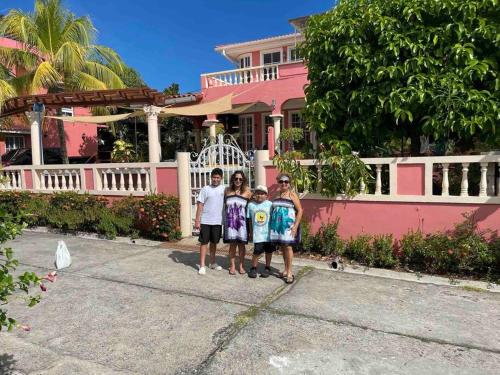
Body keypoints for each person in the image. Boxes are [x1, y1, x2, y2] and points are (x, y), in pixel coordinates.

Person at [270, 173, 303, 284]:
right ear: (278, 182)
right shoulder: (276, 195)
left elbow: (300, 211)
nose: (283, 183)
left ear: (289, 184)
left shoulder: (292, 195)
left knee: (288, 247)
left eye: (286, 182)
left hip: (288, 227)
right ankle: (285, 269)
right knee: (283, 248)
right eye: (281, 181)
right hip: (278, 227)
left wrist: (295, 227)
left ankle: (289, 272)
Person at [194, 168, 225, 275]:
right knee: (204, 242)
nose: (215, 179)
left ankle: (212, 263)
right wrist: (197, 220)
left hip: (217, 221)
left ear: (221, 178)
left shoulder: (224, 189)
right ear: (211, 177)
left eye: (218, 177)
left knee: (214, 243)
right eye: (214, 177)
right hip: (206, 221)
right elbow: (200, 205)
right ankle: (202, 265)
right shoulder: (205, 189)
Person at [223, 170, 252, 275]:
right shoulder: (227, 191)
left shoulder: (248, 192)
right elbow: (224, 206)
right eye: (236, 178)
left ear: (243, 180)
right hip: (230, 222)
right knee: (232, 245)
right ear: (233, 179)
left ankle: (241, 266)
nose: (238, 181)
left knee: (241, 245)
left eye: (240, 179)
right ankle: (232, 266)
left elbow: (252, 208)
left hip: (242, 224)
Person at [247, 185, 274, 278]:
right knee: (257, 251)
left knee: (269, 251)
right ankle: (254, 268)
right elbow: (249, 220)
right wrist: (250, 232)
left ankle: (267, 267)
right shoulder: (251, 205)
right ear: (255, 194)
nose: (259, 195)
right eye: (258, 193)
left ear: (266, 195)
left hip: (268, 233)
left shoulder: (270, 205)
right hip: (257, 234)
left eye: (262, 194)